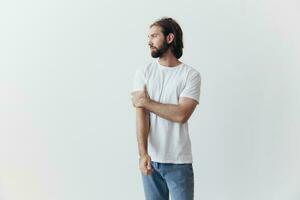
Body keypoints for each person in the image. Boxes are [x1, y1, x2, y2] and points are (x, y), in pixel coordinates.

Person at [131, 17, 201, 200]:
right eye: (149, 37)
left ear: (170, 38)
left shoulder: (190, 75)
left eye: (154, 36)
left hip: (179, 161)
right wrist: (143, 154)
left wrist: (146, 102)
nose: (149, 41)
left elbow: (181, 114)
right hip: (151, 161)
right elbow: (141, 116)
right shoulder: (143, 72)